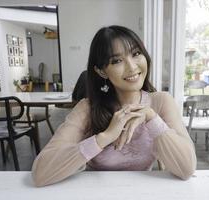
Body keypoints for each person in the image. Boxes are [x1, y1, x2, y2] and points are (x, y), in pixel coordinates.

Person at [32, 25, 196, 187]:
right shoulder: (87, 108)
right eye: (117, 60)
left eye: (136, 53)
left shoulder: (161, 102)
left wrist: (151, 118)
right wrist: (104, 137)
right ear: (102, 71)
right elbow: (40, 173)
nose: (132, 67)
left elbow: (187, 168)